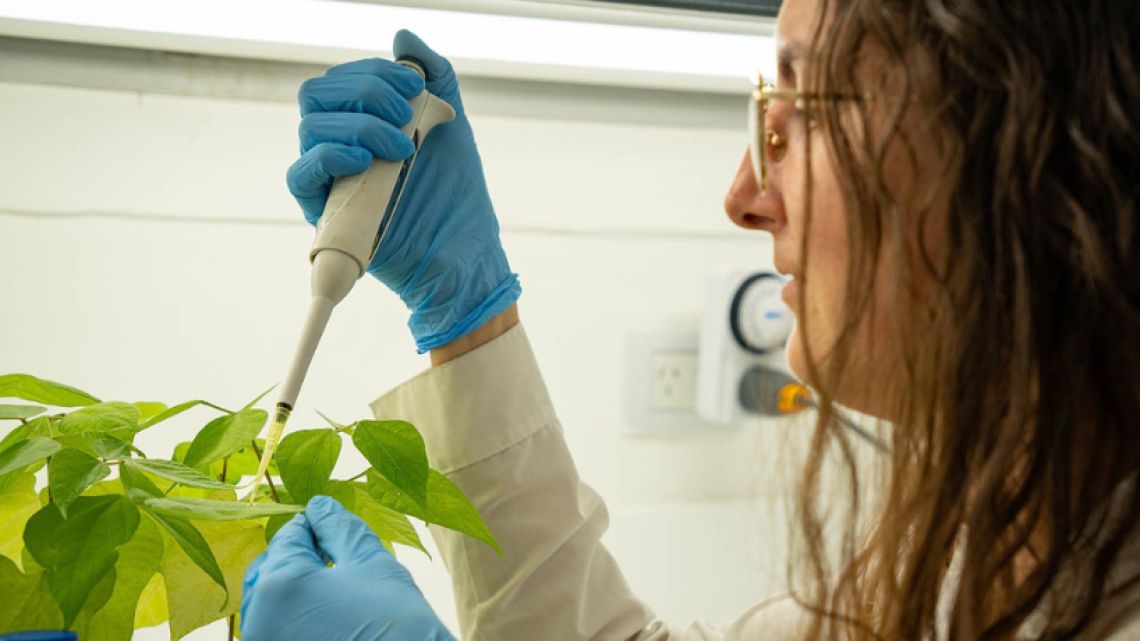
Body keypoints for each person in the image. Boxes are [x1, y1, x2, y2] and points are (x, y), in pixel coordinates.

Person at [239, 0, 1140, 637]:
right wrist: (466, 312)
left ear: (1022, 152)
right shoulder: (965, 561)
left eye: (799, 114)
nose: (744, 195)